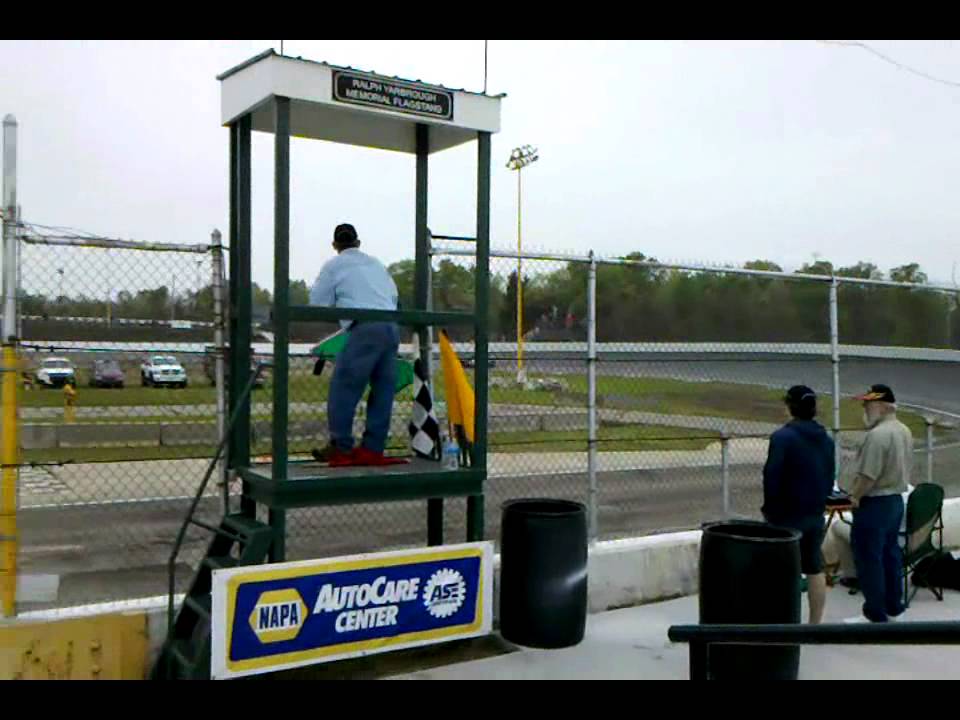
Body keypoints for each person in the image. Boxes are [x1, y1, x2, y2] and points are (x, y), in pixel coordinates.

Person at [308, 223, 406, 467]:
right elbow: (394, 298)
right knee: (383, 390)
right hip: (391, 327)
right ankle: (373, 449)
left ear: (335, 245)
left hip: (364, 327)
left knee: (345, 387)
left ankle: (341, 447)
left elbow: (317, 303)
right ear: (358, 243)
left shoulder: (334, 265)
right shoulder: (376, 264)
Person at [762, 385, 835, 624]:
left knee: (782, 572)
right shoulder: (825, 438)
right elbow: (829, 473)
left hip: (785, 516)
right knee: (815, 568)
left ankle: (784, 622)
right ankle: (815, 624)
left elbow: (772, 476)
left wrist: (770, 510)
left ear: (790, 407)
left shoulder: (783, 437)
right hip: (814, 512)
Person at [844, 384, 912, 623]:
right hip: (895, 501)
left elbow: (868, 476)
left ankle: (874, 613)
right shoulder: (904, 430)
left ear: (883, 406)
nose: (864, 408)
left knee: (869, 557)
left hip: (875, 503)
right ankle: (895, 607)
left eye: (868, 403)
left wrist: (854, 497)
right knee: (890, 555)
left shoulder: (878, 435)